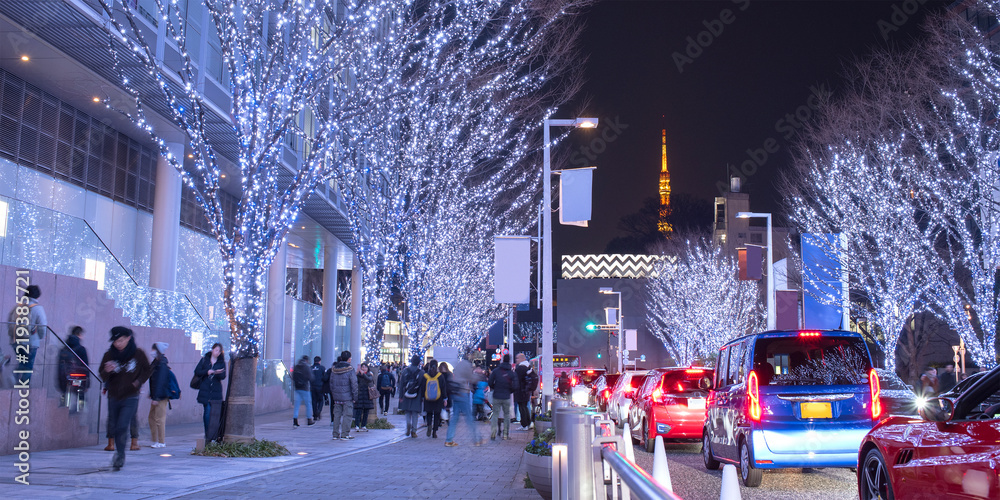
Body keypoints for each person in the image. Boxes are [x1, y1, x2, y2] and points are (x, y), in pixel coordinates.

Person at [98, 326, 151, 471]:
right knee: (115, 426)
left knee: (122, 425)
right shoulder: (109, 354)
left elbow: (148, 370)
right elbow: (101, 375)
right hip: (114, 395)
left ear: (128, 338)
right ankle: (118, 451)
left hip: (131, 396)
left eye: (121, 340)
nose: (118, 344)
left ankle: (120, 455)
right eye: (115, 341)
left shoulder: (138, 354)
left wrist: (138, 382)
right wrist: (106, 371)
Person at [7, 284, 47, 384]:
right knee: (28, 366)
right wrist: (41, 336)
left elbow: (9, 321)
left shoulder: (17, 306)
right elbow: (42, 325)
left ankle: (15, 379)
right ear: (37, 296)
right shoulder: (38, 308)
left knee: (22, 362)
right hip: (31, 342)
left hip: (16, 341)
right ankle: (23, 387)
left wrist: (13, 336)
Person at [444, 353, 481, 447]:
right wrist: (479, 376)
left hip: (455, 392)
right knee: (469, 416)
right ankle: (477, 439)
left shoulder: (459, 364)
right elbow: (471, 378)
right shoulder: (466, 365)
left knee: (455, 417)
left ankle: (449, 440)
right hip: (462, 392)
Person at [195, 343, 227, 442]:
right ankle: (208, 435)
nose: (217, 352)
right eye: (216, 350)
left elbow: (223, 376)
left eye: (219, 351)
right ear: (212, 350)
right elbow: (197, 371)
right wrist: (207, 372)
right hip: (205, 389)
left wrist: (217, 372)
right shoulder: (205, 360)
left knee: (216, 414)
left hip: (216, 390)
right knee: (207, 412)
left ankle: (214, 435)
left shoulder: (221, 362)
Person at [57, 326, 89, 410]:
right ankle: (80, 409)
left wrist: (59, 380)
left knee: (65, 393)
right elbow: (86, 367)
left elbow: (59, 366)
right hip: (79, 377)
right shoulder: (81, 349)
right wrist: (87, 384)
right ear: (79, 335)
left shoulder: (63, 349)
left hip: (65, 377)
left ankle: (63, 409)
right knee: (80, 393)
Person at [488, 354, 518, 440]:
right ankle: (505, 434)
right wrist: (509, 391)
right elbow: (516, 386)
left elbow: (490, 382)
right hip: (506, 397)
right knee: (507, 415)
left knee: (495, 415)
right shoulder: (512, 373)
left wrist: (495, 388)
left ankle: (493, 433)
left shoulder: (496, 371)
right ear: (509, 361)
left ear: (502, 360)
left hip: (496, 395)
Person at [329, 351, 358, 440]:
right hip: (347, 396)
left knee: (336, 415)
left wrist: (334, 394)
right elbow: (354, 384)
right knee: (347, 415)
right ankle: (345, 434)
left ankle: (335, 434)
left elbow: (331, 383)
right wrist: (355, 396)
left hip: (337, 397)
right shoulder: (350, 369)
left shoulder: (334, 369)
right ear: (349, 359)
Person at [147, 342, 171, 448]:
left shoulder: (161, 364)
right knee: (152, 417)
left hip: (161, 396)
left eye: (154, 350)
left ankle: (161, 441)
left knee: (159, 418)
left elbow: (161, 381)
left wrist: (156, 397)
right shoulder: (156, 362)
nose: (152, 352)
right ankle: (155, 439)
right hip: (156, 395)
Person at [420, 359, 448, 438]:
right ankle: (434, 431)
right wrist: (445, 398)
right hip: (438, 399)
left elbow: (422, 388)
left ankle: (429, 425)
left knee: (429, 413)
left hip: (427, 398)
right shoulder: (440, 376)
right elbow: (443, 388)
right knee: (436, 414)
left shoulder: (425, 376)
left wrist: (422, 397)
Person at [399, 354, 424, 438]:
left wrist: (401, 396)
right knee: (415, 413)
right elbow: (422, 386)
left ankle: (408, 425)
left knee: (407, 412)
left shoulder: (405, 371)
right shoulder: (421, 373)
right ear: (418, 363)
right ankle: (414, 430)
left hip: (406, 393)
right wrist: (422, 397)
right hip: (417, 395)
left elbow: (401, 384)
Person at [513, 353, 537, 431]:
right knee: (525, 407)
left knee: (522, 407)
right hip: (526, 391)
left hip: (521, 390)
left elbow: (517, 380)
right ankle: (528, 423)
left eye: (517, 358)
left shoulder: (521, 368)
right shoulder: (528, 367)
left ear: (522, 358)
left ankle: (524, 424)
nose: (516, 360)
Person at [292, 355, 314, 428]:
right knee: (308, 404)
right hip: (305, 388)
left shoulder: (296, 366)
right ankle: (309, 419)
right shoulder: (306, 367)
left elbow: (293, 377)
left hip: (297, 388)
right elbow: (311, 377)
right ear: (307, 360)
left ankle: (295, 420)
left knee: (297, 405)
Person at [354, 362, 375, 431]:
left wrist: (363, 374)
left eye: (365, 367)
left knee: (366, 411)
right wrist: (357, 373)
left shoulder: (370, 374)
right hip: (360, 395)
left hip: (367, 395)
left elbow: (369, 380)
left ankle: (364, 425)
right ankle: (357, 425)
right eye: (362, 367)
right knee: (359, 411)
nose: (364, 368)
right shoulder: (358, 375)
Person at [310, 356, 326, 421]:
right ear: (319, 361)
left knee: (314, 401)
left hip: (312, 386)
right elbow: (325, 377)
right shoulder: (322, 368)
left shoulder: (310, 368)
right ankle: (319, 411)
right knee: (321, 400)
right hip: (320, 386)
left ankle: (315, 415)